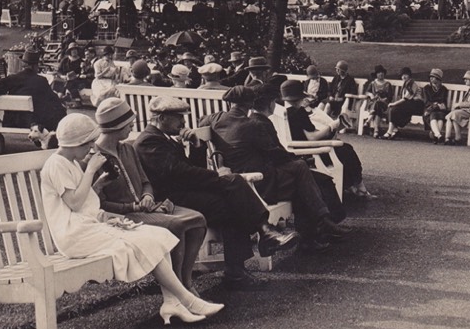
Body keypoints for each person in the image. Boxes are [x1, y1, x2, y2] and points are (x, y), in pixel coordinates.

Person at [39, 113, 222, 325]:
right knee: (143, 239)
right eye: (88, 143)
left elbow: (81, 200)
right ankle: (188, 300)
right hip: (73, 236)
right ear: (76, 142)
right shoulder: (56, 164)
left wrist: (99, 186)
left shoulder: (69, 162)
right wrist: (90, 170)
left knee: (158, 235)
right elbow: (74, 203)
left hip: (86, 228)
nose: (90, 148)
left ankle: (172, 302)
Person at [131, 96, 296, 290]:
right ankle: (261, 236)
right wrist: (217, 179)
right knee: (233, 184)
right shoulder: (149, 141)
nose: (184, 122)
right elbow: (179, 173)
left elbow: (190, 168)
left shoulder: (164, 138)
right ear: (161, 118)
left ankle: (244, 262)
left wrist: (196, 146)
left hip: (184, 192)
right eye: (179, 117)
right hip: (169, 199)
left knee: (231, 202)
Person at [209, 88, 349, 252]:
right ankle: (320, 222)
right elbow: (274, 153)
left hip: (241, 179)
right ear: (249, 104)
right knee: (301, 170)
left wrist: (186, 132)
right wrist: (299, 160)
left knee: (301, 176)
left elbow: (202, 120)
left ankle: (317, 229)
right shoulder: (252, 125)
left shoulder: (217, 119)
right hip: (259, 183)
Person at [92, 98, 208, 294]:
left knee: (198, 219)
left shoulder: (127, 148)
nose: (131, 127)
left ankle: (185, 282)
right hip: (120, 218)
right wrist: (132, 207)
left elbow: (146, 182)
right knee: (177, 224)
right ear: (116, 126)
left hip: (146, 208)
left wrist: (147, 195)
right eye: (128, 124)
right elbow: (100, 203)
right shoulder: (95, 157)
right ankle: (178, 290)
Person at [280, 80, 373, 198]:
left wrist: (329, 131)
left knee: (342, 148)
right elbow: (312, 137)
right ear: (300, 97)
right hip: (308, 154)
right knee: (346, 150)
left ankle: (350, 185)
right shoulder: (299, 112)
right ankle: (359, 187)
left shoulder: (286, 112)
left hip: (295, 149)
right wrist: (332, 126)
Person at [0, 49, 67, 146]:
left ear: (23, 65)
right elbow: (54, 100)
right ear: (35, 66)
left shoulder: (12, 79)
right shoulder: (41, 81)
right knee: (59, 112)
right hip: (33, 122)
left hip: (12, 121)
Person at [386, 67, 424, 139]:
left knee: (394, 108)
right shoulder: (406, 84)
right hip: (409, 104)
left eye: (405, 75)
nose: (403, 77)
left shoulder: (412, 84)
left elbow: (406, 98)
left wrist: (394, 103)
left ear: (409, 75)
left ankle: (389, 131)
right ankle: (394, 130)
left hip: (417, 105)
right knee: (392, 109)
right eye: (402, 75)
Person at [447, 71, 470, 145]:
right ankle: (455, 137)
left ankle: (454, 138)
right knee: (453, 116)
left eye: (466, 79)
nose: (465, 81)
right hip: (466, 111)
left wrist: (459, 104)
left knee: (453, 114)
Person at [324, 60, 359, 132]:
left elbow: (353, 92)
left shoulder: (350, 80)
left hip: (343, 102)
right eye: (336, 69)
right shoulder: (336, 78)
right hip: (334, 101)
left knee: (342, 107)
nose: (337, 70)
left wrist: (342, 98)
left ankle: (339, 128)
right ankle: (324, 125)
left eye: (338, 69)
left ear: (343, 70)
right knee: (328, 105)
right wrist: (330, 96)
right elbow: (330, 89)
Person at [421, 69, 450, 144]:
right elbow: (426, 101)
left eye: (433, 77)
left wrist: (441, 105)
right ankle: (438, 135)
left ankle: (436, 136)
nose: (431, 78)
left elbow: (444, 102)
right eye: (430, 77)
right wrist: (435, 104)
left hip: (440, 110)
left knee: (440, 116)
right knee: (433, 114)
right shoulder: (426, 88)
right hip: (429, 109)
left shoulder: (444, 89)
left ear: (438, 79)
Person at [365, 66, 393, 139]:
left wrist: (384, 99)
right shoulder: (373, 83)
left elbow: (390, 97)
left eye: (382, 73)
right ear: (376, 74)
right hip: (373, 103)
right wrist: (371, 95)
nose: (381, 74)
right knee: (377, 105)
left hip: (384, 104)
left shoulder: (387, 84)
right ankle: (376, 130)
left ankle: (369, 120)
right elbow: (367, 92)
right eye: (379, 73)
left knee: (378, 105)